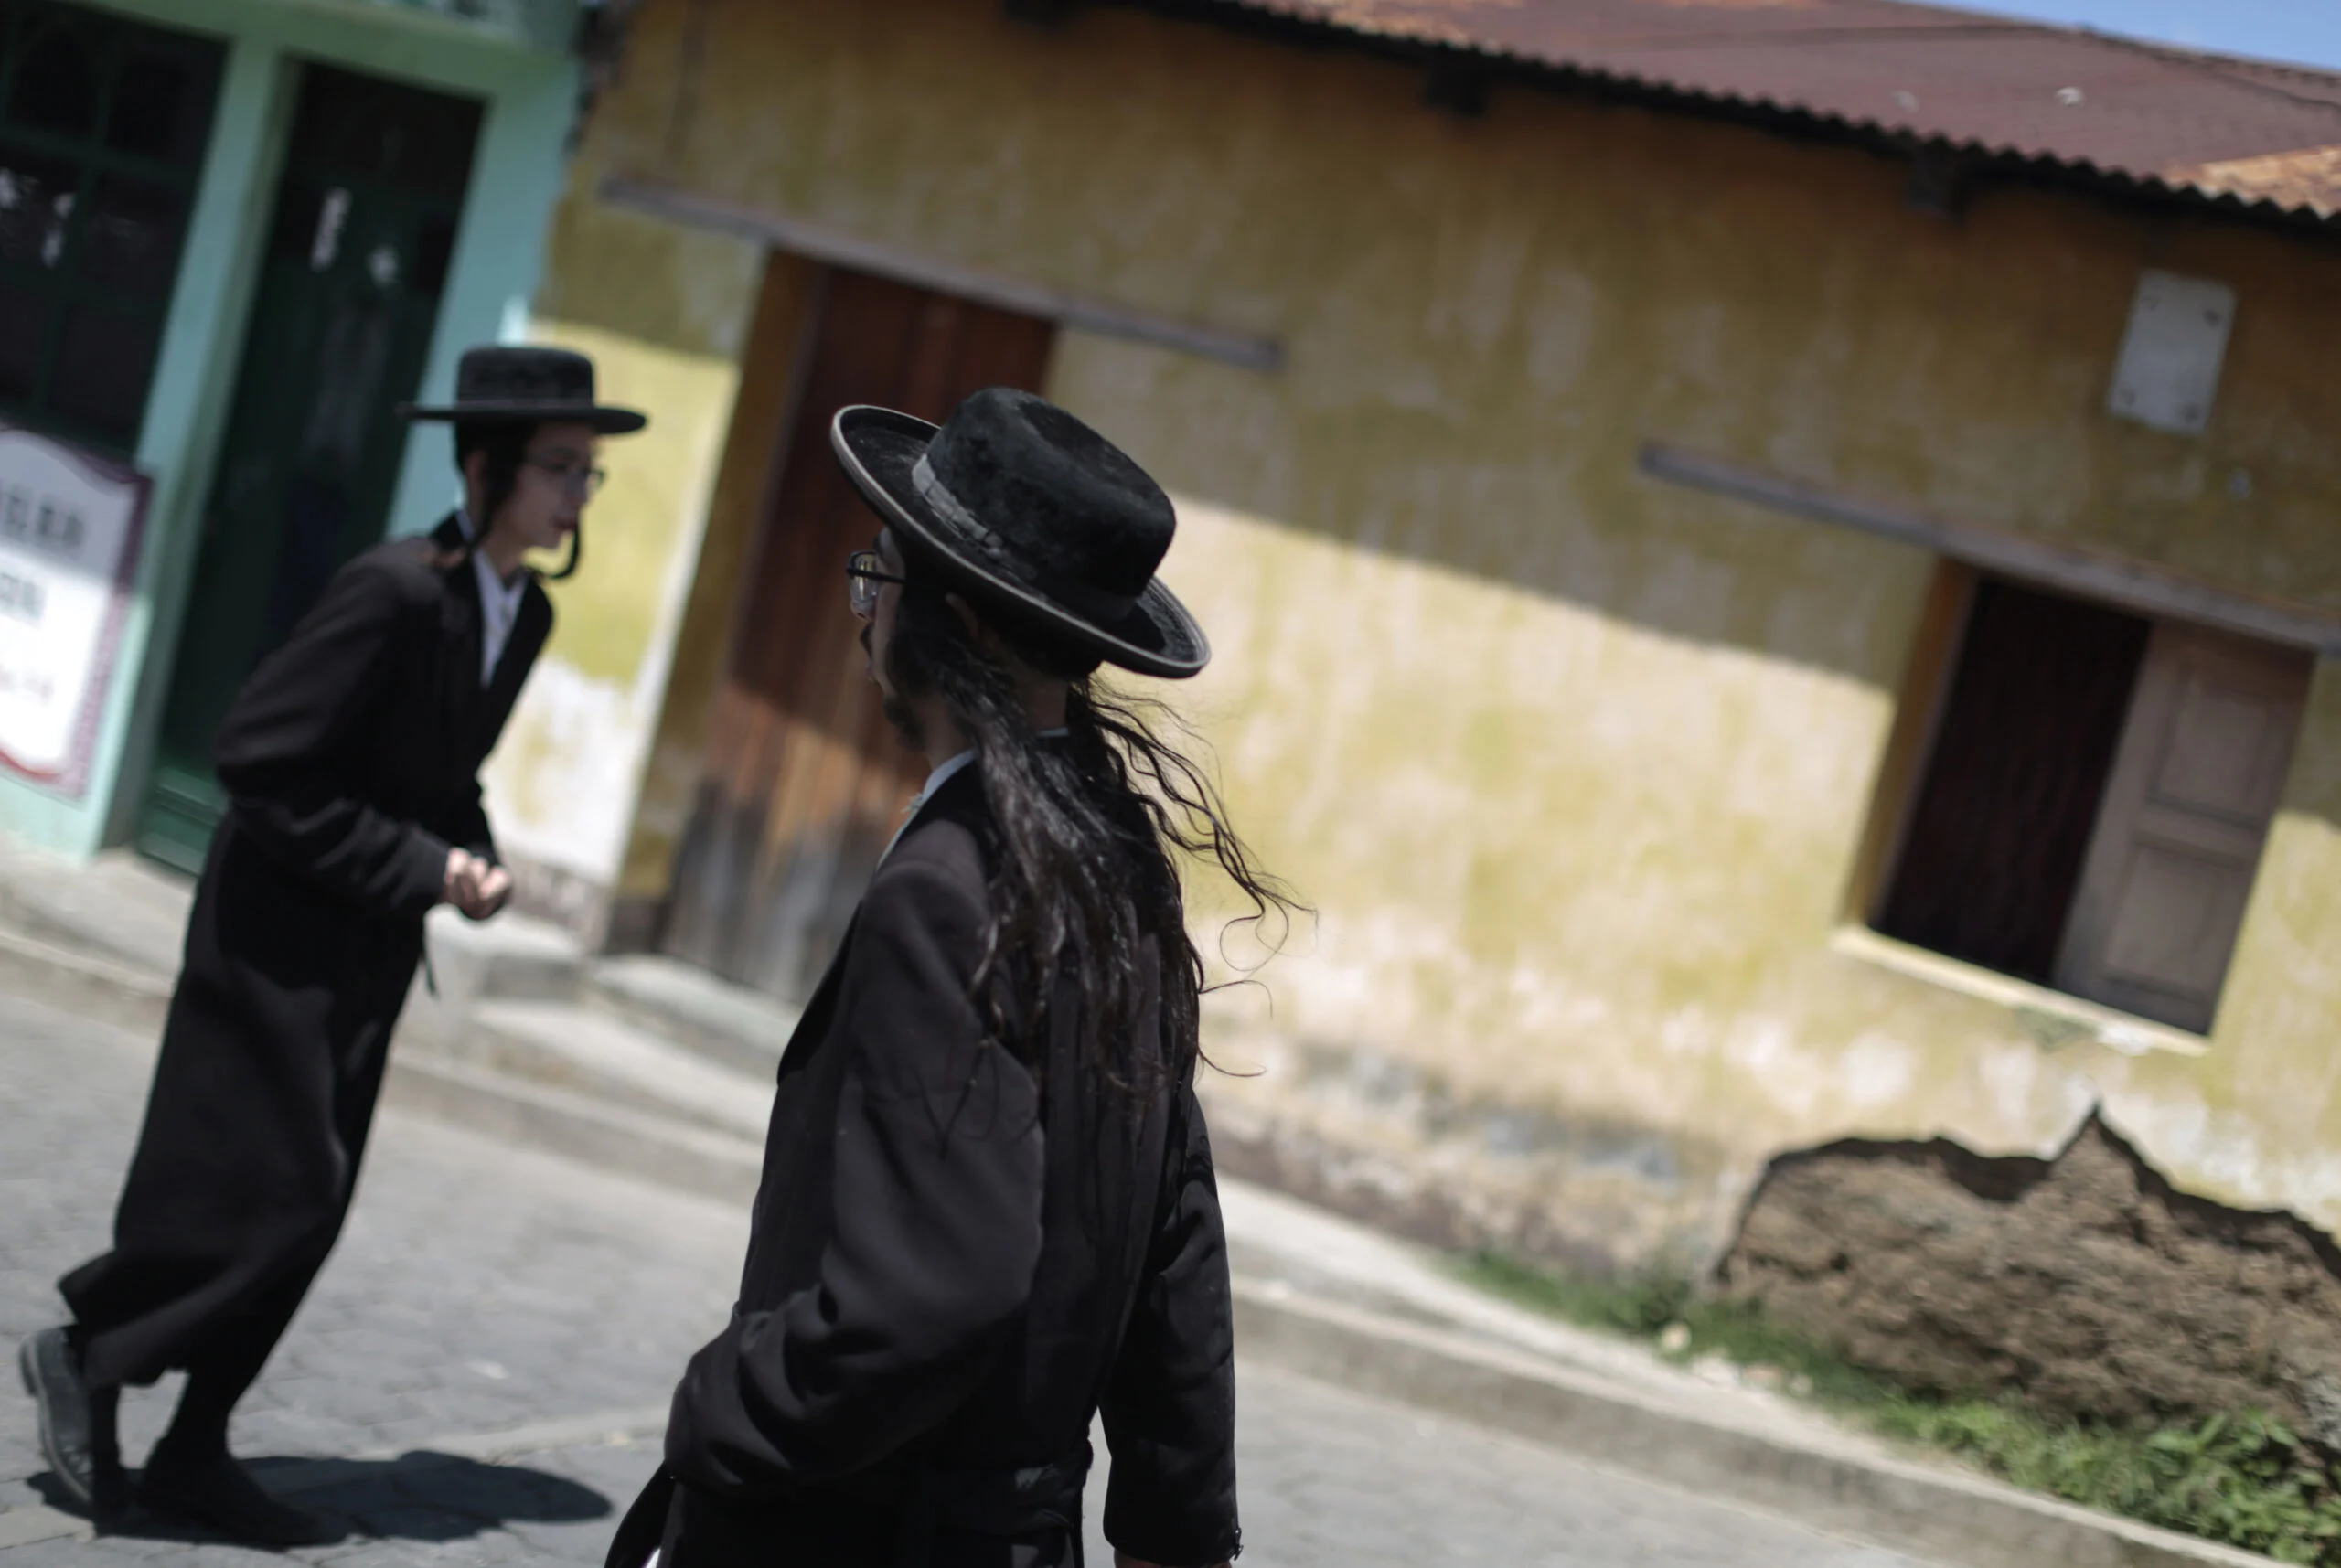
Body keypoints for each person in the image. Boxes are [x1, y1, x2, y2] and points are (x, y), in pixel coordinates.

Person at [606, 388, 1292, 1568]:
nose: (862, 612)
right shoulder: (1114, 857)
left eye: (877, 577)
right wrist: (1173, 1529)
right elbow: (1175, 1228)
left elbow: (928, 1294)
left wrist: (724, 1411)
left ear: (957, 620)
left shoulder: (948, 888)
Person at [17, 346, 647, 1545]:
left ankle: (195, 1446)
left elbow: (442, 770)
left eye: (589, 472)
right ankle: (91, 1350)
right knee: (262, 1188)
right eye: (561, 467)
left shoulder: (522, 611)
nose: (578, 493)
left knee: (318, 1200)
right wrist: (423, 865)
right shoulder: (393, 588)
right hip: (271, 933)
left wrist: (472, 854)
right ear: (488, 468)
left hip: (367, 939)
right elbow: (258, 758)